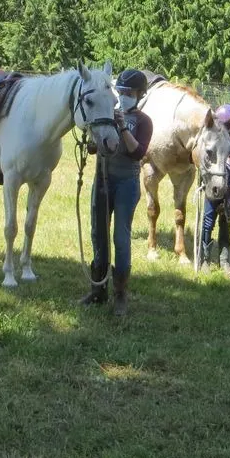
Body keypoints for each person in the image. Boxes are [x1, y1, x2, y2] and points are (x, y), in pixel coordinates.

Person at [82, 68, 154, 316]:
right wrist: (93, 137)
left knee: (120, 239)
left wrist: (123, 128)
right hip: (102, 181)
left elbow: (138, 152)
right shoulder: (107, 114)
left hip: (126, 182)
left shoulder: (143, 121)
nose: (123, 96)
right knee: (97, 234)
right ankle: (97, 289)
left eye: (129, 93)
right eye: (120, 92)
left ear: (139, 94)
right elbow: (95, 149)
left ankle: (121, 295)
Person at [200, 103, 230, 272]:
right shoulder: (211, 137)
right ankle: (205, 259)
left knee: (226, 219)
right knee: (208, 220)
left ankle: (224, 260)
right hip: (213, 182)